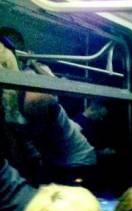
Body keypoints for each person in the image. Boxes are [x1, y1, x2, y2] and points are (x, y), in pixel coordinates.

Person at [0, 29, 97, 186]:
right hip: (56, 159)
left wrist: (33, 63)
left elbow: (56, 89)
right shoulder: (10, 95)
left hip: (77, 160)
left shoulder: (33, 81)